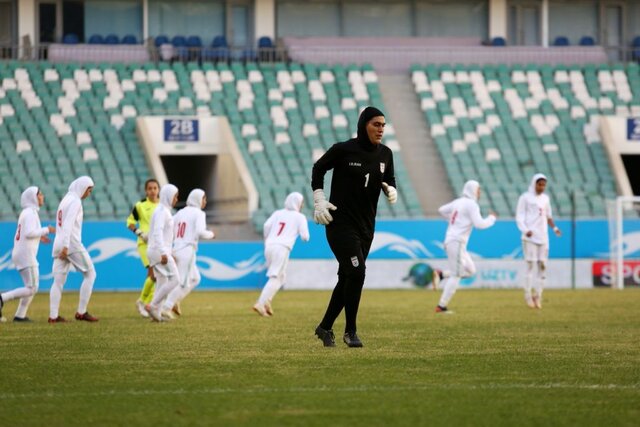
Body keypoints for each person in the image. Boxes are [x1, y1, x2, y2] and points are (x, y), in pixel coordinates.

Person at [311, 106, 397, 348]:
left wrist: (391, 189)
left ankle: (325, 327)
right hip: (340, 224)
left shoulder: (386, 154)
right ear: (363, 125)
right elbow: (319, 168)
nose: (380, 129)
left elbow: (389, 178)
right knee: (357, 272)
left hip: (367, 226)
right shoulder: (343, 149)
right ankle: (351, 331)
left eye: (383, 125)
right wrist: (319, 198)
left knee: (348, 276)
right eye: (375, 124)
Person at [435, 180, 496, 313]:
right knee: (457, 275)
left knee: (470, 271)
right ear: (473, 190)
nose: (479, 192)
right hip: (456, 241)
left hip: (454, 241)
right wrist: (491, 218)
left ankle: (442, 274)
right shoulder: (472, 204)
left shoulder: (458, 201)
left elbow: (441, 210)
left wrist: (453, 221)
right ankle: (441, 306)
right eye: (478, 190)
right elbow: (480, 224)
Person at [0, 187, 55, 322]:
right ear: (32, 197)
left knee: (30, 287)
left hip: (22, 253)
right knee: (32, 288)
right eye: (39, 194)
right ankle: (2, 298)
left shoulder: (29, 212)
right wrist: (46, 229)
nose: (42, 196)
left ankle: (20, 315)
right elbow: (29, 232)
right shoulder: (30, 213)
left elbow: (28, 232)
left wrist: (40, 237)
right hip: (26, 255)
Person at [253, 192, 310, 317]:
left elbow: (266, 226)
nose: (302, 205)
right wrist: (303, 235)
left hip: (269, 246)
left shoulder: (278, 213)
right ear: (297, 202)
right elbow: (305, 237)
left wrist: (268, 239)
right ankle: (260, 303)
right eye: (301, 202)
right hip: (282, 248)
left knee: (281, 277)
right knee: (275, 277)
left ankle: (267, 301)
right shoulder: (299, 217)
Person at [49, 176, 98, 323]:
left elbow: (61, 223)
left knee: (58, 281)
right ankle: (81, 312)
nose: (89, 194)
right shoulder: (76, 201)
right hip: (70, 243)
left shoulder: (66, 199)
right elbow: (68, 223)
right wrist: (66, 245)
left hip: (59, 242)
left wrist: (62, 245)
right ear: (83, 187)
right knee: (90, 274)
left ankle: (53, 316)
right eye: (89, 190)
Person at [160, 189, 215, 319]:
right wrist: (212, 234)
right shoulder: (199, 213)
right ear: (198, 199)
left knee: (195, 279)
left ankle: (174, 301)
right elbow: (200, 232)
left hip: (176, 249)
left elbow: (169, 228)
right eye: (204, 198)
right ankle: (166, 307)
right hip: (187, 250)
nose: (205, 201)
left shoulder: (180, 212)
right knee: (183, 282)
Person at [516, 173, 561, 309]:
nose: (542, 187)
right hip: (529, 237)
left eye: (544, 185)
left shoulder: (545, 199)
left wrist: (555, 228)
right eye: (539, 184)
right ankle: (528, 295)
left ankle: (538, 295)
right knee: (530, 265)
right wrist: (525, 230)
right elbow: (519, 216)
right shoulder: (525, 198)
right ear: (534, 183)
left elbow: (548, 217)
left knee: (543, 266)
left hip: (543, 237)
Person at [145, 183, 180, 322]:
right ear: (168, 196)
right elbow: (157, 232)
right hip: (159, 251)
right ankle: (153, 306)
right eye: (175, 196)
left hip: (156, 250)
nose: (176, 199)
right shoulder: (162, 212)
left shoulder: (162, 210)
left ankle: (156, 315)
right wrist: (163, 252)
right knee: (175, 279)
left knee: (162, 280)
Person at [126, 179, 160, 318]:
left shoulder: (163, 206)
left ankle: (147, 303)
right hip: (144, 244)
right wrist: (140, 233)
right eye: (150, 188)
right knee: (153, 273)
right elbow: (130, 222)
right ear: (146, 191)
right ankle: (143, 303)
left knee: (156, 275)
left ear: (158, 190)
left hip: (158, 244)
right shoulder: (140, 205)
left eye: (155, 188)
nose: (153, 191)